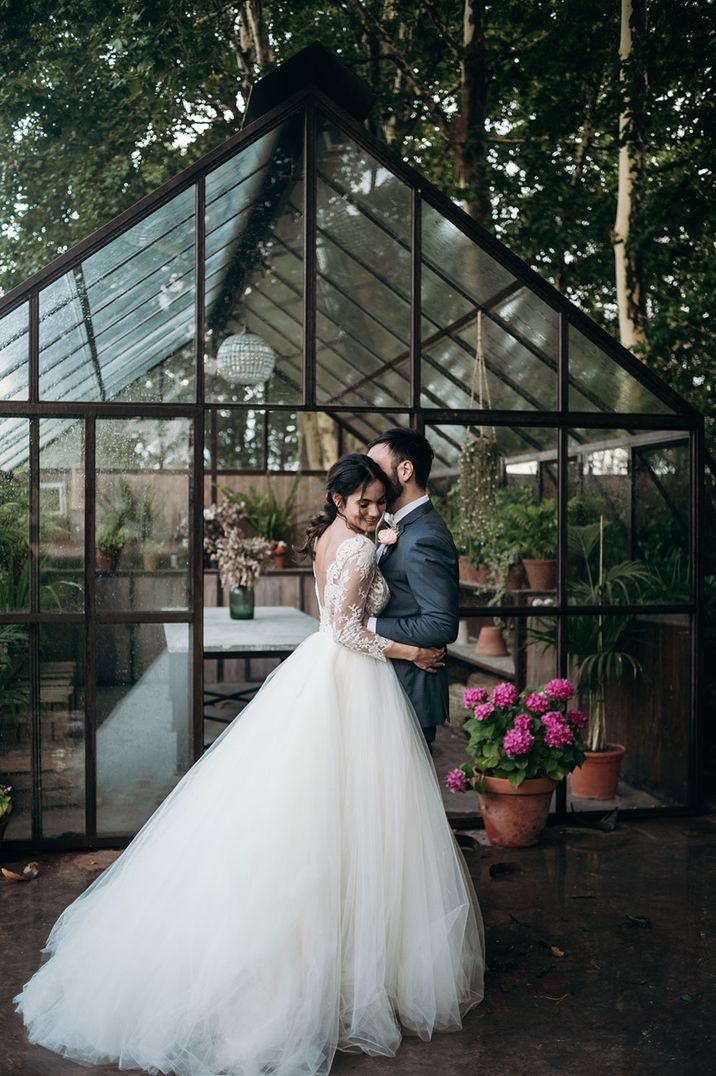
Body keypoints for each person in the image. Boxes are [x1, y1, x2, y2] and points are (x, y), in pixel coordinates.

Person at [15, 452, 484, 1076]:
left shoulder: (334, 539)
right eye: (363, 503)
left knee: (322, 811)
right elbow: (346, 630)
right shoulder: (362, 548)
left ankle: (345, 951)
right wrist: (412, 649)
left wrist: (381, 542)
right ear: (339, 500)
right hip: (351, 675)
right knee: (345, 812)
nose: (374, 512)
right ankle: (334, 967)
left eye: (378, 502)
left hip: (324, 675)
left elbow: (337, 618)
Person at [367, 428, 459, 751]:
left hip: (410, 693)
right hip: (390, 688)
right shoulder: (399, 526)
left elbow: (441, 625)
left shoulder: (425, 536)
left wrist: (366, 625)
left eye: (376, 468)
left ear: (405, 470)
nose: (370, 478)